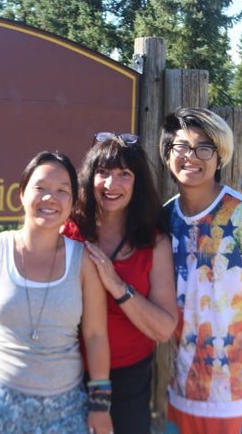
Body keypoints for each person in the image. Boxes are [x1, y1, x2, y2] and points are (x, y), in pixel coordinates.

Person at [0, 151, 114, 434]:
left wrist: (100, 406)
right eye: (41, 188)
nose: (50, 198)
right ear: (22, 194)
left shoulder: (83, 261)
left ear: (72, 202)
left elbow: (96, 335)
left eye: (62, 191)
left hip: (66, 408)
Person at [157, 107, 242, 434]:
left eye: (204, 148)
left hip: (237, 391)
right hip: (183, 387)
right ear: (168, 154)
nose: (191, 157)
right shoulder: (162, 219)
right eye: (181, 147)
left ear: (220, 158)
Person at [62, 132, 178, 434]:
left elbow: (165, 329)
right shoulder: (68, 231)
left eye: (124, 174)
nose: (111, 185)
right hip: (65, 374)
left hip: (129, 380)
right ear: (90, 176)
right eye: (103, 172)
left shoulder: (154, 242)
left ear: (137, 182)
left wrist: (118, 287)